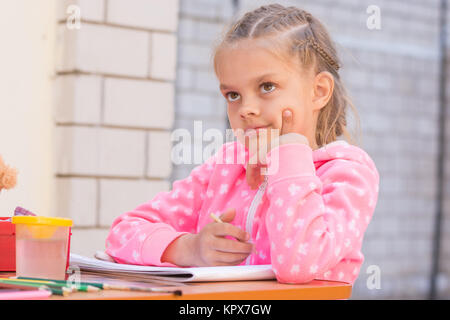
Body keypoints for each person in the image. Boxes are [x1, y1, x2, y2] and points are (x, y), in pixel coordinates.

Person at [105, 4, 380, 285]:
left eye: (267, 87)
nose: (246, 108)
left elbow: (298, 264)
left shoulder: (348, 174)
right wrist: (189, 248)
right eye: (233, 94)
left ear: (318, 91)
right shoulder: (226, 167)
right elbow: (122, 233)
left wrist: (288, 154)